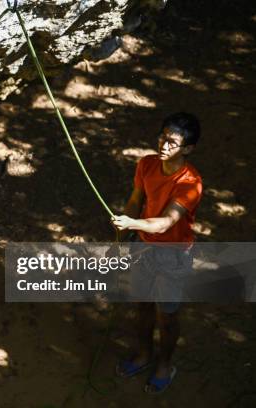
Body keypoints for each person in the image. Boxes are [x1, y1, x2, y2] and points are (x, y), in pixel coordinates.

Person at [111, 112, 203, 393]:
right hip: (143, 245)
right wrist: (121, 237)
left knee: (167, 315)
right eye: (162, 137)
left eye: (172, 142)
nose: (164, 145)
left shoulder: (190, 182)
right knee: (142, 305)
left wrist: (132, 224)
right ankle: (144, 354)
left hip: (173, 254)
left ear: (187, 148)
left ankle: (164, 364)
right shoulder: (147, 164)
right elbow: (135, 201)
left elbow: (166, 222)